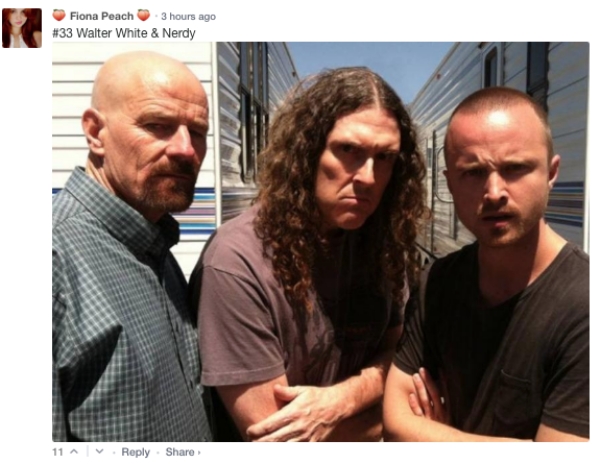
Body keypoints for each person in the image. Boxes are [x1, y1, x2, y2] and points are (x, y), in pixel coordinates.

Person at [189, 67, 427, 441]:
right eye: (348, 150)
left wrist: (343, 399)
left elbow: (397, 351)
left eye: (384, 157)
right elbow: (277, 438)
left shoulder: (383, 243)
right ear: (308, 152)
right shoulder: (237, 262)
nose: (367, 177)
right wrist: (398, 421)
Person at [383, 87, 589, 442]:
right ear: (449, 183)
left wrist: (436, 435)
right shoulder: (437, 282)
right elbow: (396, 419)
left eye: (515, 168)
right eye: (474, 172)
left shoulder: (585, 306)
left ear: (551, 173)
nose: (494, 192)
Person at [52, 51, 212, 441]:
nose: (186, 149)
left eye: (197, 131)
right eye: (158, 125)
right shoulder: (53, 262)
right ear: (95, 132)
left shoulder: (154, 243)